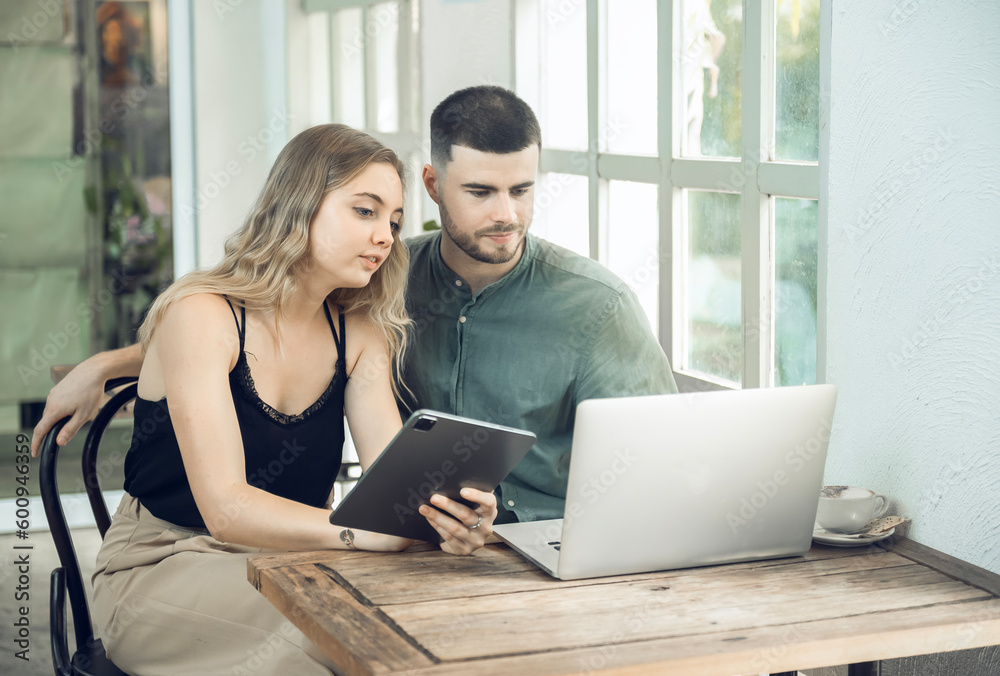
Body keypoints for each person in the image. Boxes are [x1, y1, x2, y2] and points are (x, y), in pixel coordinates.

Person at [32, 85, 676, 528]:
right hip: (331, 543)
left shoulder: (592, 305)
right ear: (435, 185)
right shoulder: (391, 279)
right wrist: (115, 362)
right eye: (480, 191)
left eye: (522, 190)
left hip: (521, 539)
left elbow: (656, 466)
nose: (506, 215)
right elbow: (245, 327)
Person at [32, 124, 497, 676]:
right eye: (365, 211)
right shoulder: (203, 314)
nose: (386, 237)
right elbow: (227, 511)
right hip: (164, 563)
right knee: (333, 639)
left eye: (394, 222)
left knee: (437, 623)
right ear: (298, 206)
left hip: (299, 560)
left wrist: (448, 518)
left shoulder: (363, 331)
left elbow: (391, 487)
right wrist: (358, 532)